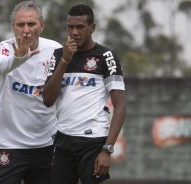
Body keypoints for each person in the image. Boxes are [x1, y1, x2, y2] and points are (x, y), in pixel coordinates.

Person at [43, 4, 126, 184]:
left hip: (93, 141)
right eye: (70, 27)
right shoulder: (58, 55)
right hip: (63, 140)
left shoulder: (106, 56)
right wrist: (65, 61)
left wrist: (107, 149)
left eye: (80, 27)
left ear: (92, 28)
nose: (74, 32)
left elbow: (120, 106)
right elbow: (48, 100)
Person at [0, 1, 62, 184]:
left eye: (31, 24)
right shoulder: (3, 48)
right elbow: (0, 67)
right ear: (13, 27)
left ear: (42, 26)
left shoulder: (56, 50)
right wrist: (19, 57)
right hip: (8, 145)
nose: (26, 30)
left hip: (46, 145)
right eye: (20, 24)